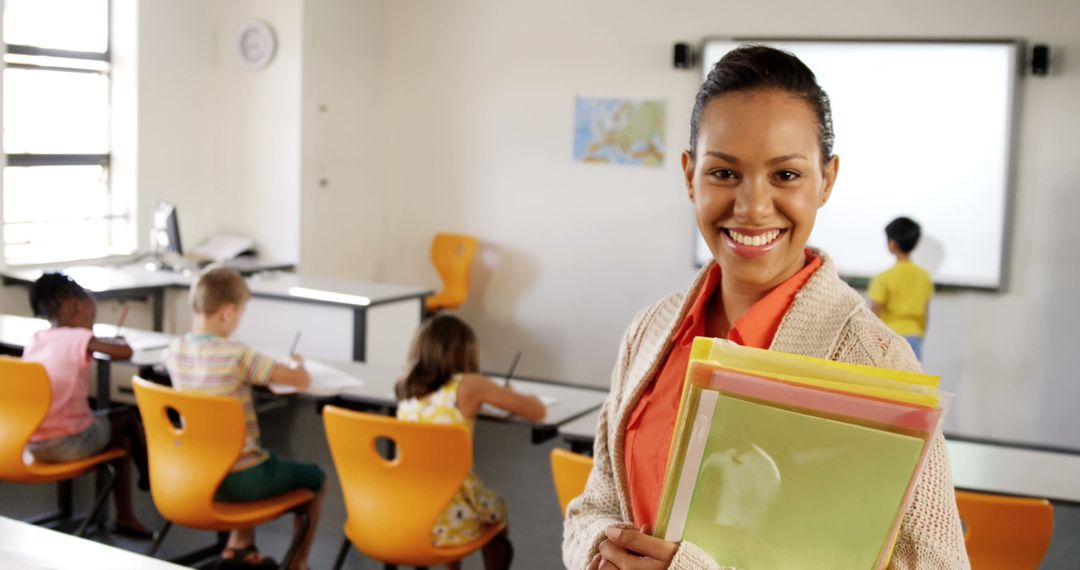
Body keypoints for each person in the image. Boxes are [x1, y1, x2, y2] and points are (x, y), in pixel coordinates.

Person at [562, 45, 969, 569]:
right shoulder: (650, 330)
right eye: (723, 173)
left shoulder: (875, 359)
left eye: (786, 175)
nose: (752, 207)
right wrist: (601, 548)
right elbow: (594, 505)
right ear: (689, 176)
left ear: (827, 180)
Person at [164, 265, 325, 569]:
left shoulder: (174, 351)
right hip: (237, 480)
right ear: (227, 312)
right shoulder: (238, 355)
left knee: (259, 456)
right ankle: (298, 564)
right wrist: (299, 365)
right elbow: (299, 381)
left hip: (193, 473)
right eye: (241, 312)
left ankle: (238, 546)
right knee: (315, 478)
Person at [394, 314, 546, 570]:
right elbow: (537, 411)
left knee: (447, 490)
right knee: (496, 508)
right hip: (451, 517)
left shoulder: (405, 387)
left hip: (404, 512)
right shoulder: (470, 385)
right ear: (465, 352)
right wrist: (511, 394)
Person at [23, 273, 152, 539]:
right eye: (91, 317)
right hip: (67, 442)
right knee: (127, 418)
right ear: (74, 306)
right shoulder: (78, 338)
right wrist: (117, 341)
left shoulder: (38, 338)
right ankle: (150, 476)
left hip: (31, 441)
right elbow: (125, 352)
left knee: (121, 445)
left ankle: (126, 518)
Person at [868, 216, 934, 360]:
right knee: (912, 374)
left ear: (892, 244)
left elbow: (874, 313)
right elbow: (925, 312)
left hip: (889, 337)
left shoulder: (884, 277)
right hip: (914, 337)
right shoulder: (924, 276)